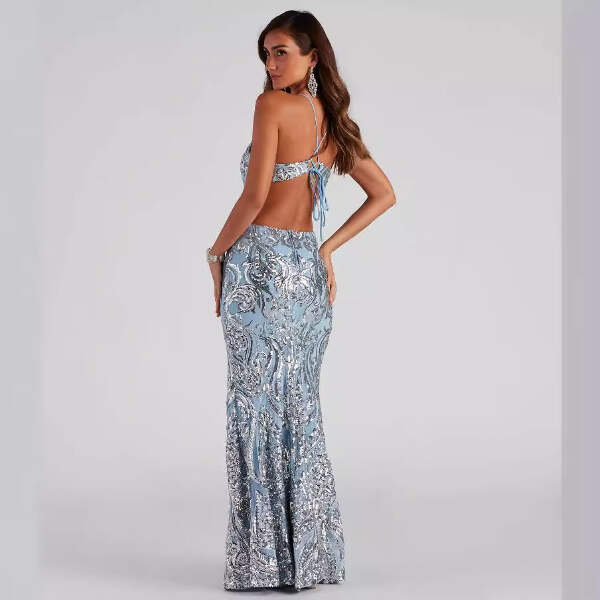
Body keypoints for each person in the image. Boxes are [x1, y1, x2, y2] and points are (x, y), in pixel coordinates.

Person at [207, 10, 396, 592]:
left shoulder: (270, 107)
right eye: (266, 53)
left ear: (313, 57)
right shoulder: (332, 122)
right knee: (299, 410)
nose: (271, 64)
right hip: (306, 276)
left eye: (282, 51)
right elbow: (384, 193)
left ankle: (263, 562)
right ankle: (309, 560)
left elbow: (254, 197)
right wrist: (325, 250)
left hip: (260, 269)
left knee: (255, 409)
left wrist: (215, 253)